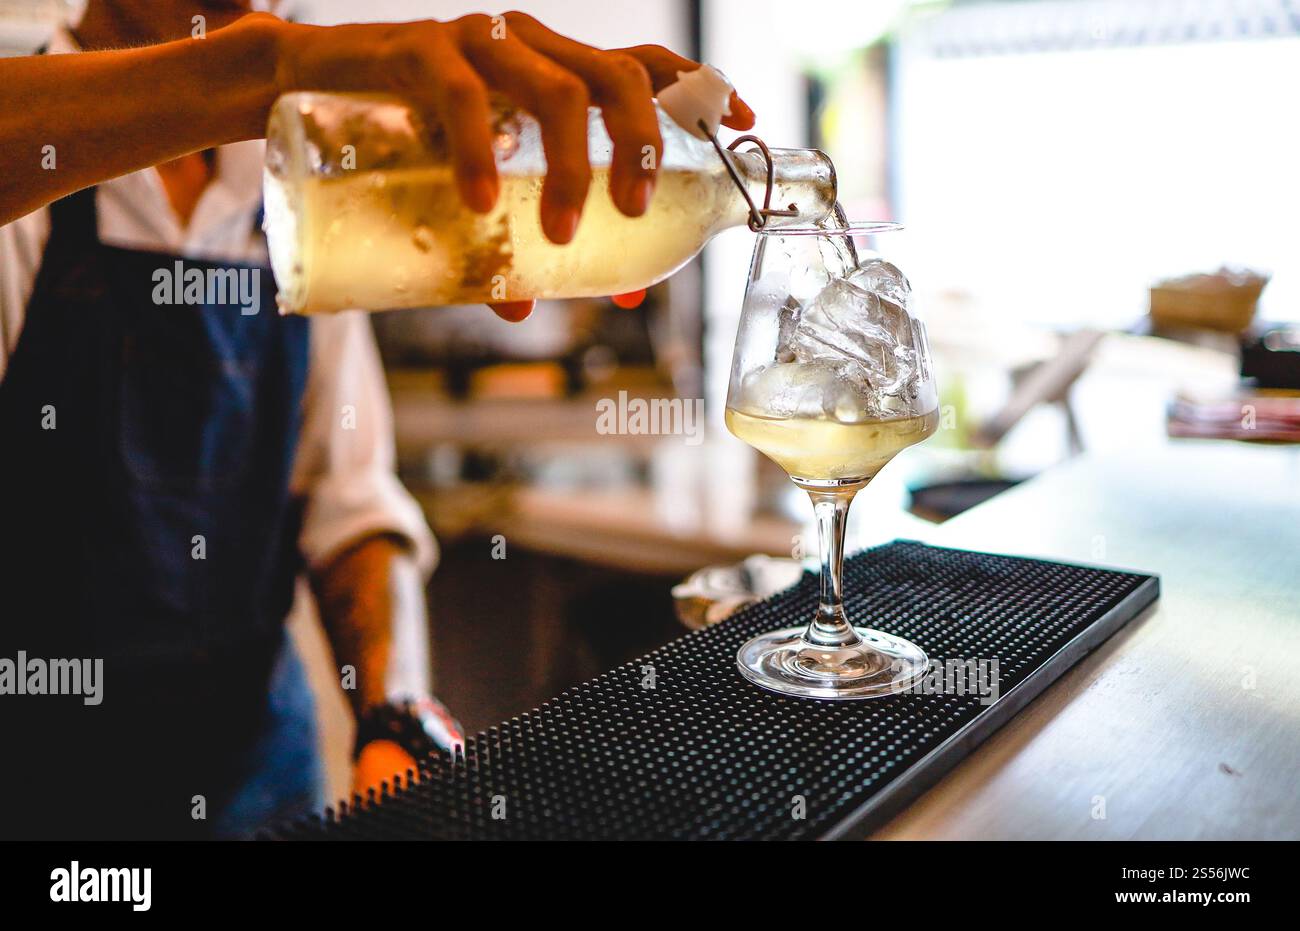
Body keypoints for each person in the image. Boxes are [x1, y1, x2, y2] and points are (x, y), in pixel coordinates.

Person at [0, 1, 754, 840]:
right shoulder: (35, 149)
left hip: (260, 781)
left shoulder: (294, 181)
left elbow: (350, 502)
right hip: (43, 783)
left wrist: (396, 715)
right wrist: (269, 68)